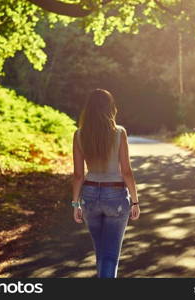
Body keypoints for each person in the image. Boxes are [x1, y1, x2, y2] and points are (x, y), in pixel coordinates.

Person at [71, 88, 140, 278]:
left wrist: (75, 204)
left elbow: (78, 175)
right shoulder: (119, 133)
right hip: (115, 196)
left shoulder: (79, 135)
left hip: (90, 196)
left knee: (101, 252)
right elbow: (126, 171)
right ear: (110, 108)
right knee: (110, 255)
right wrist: (135, 201)